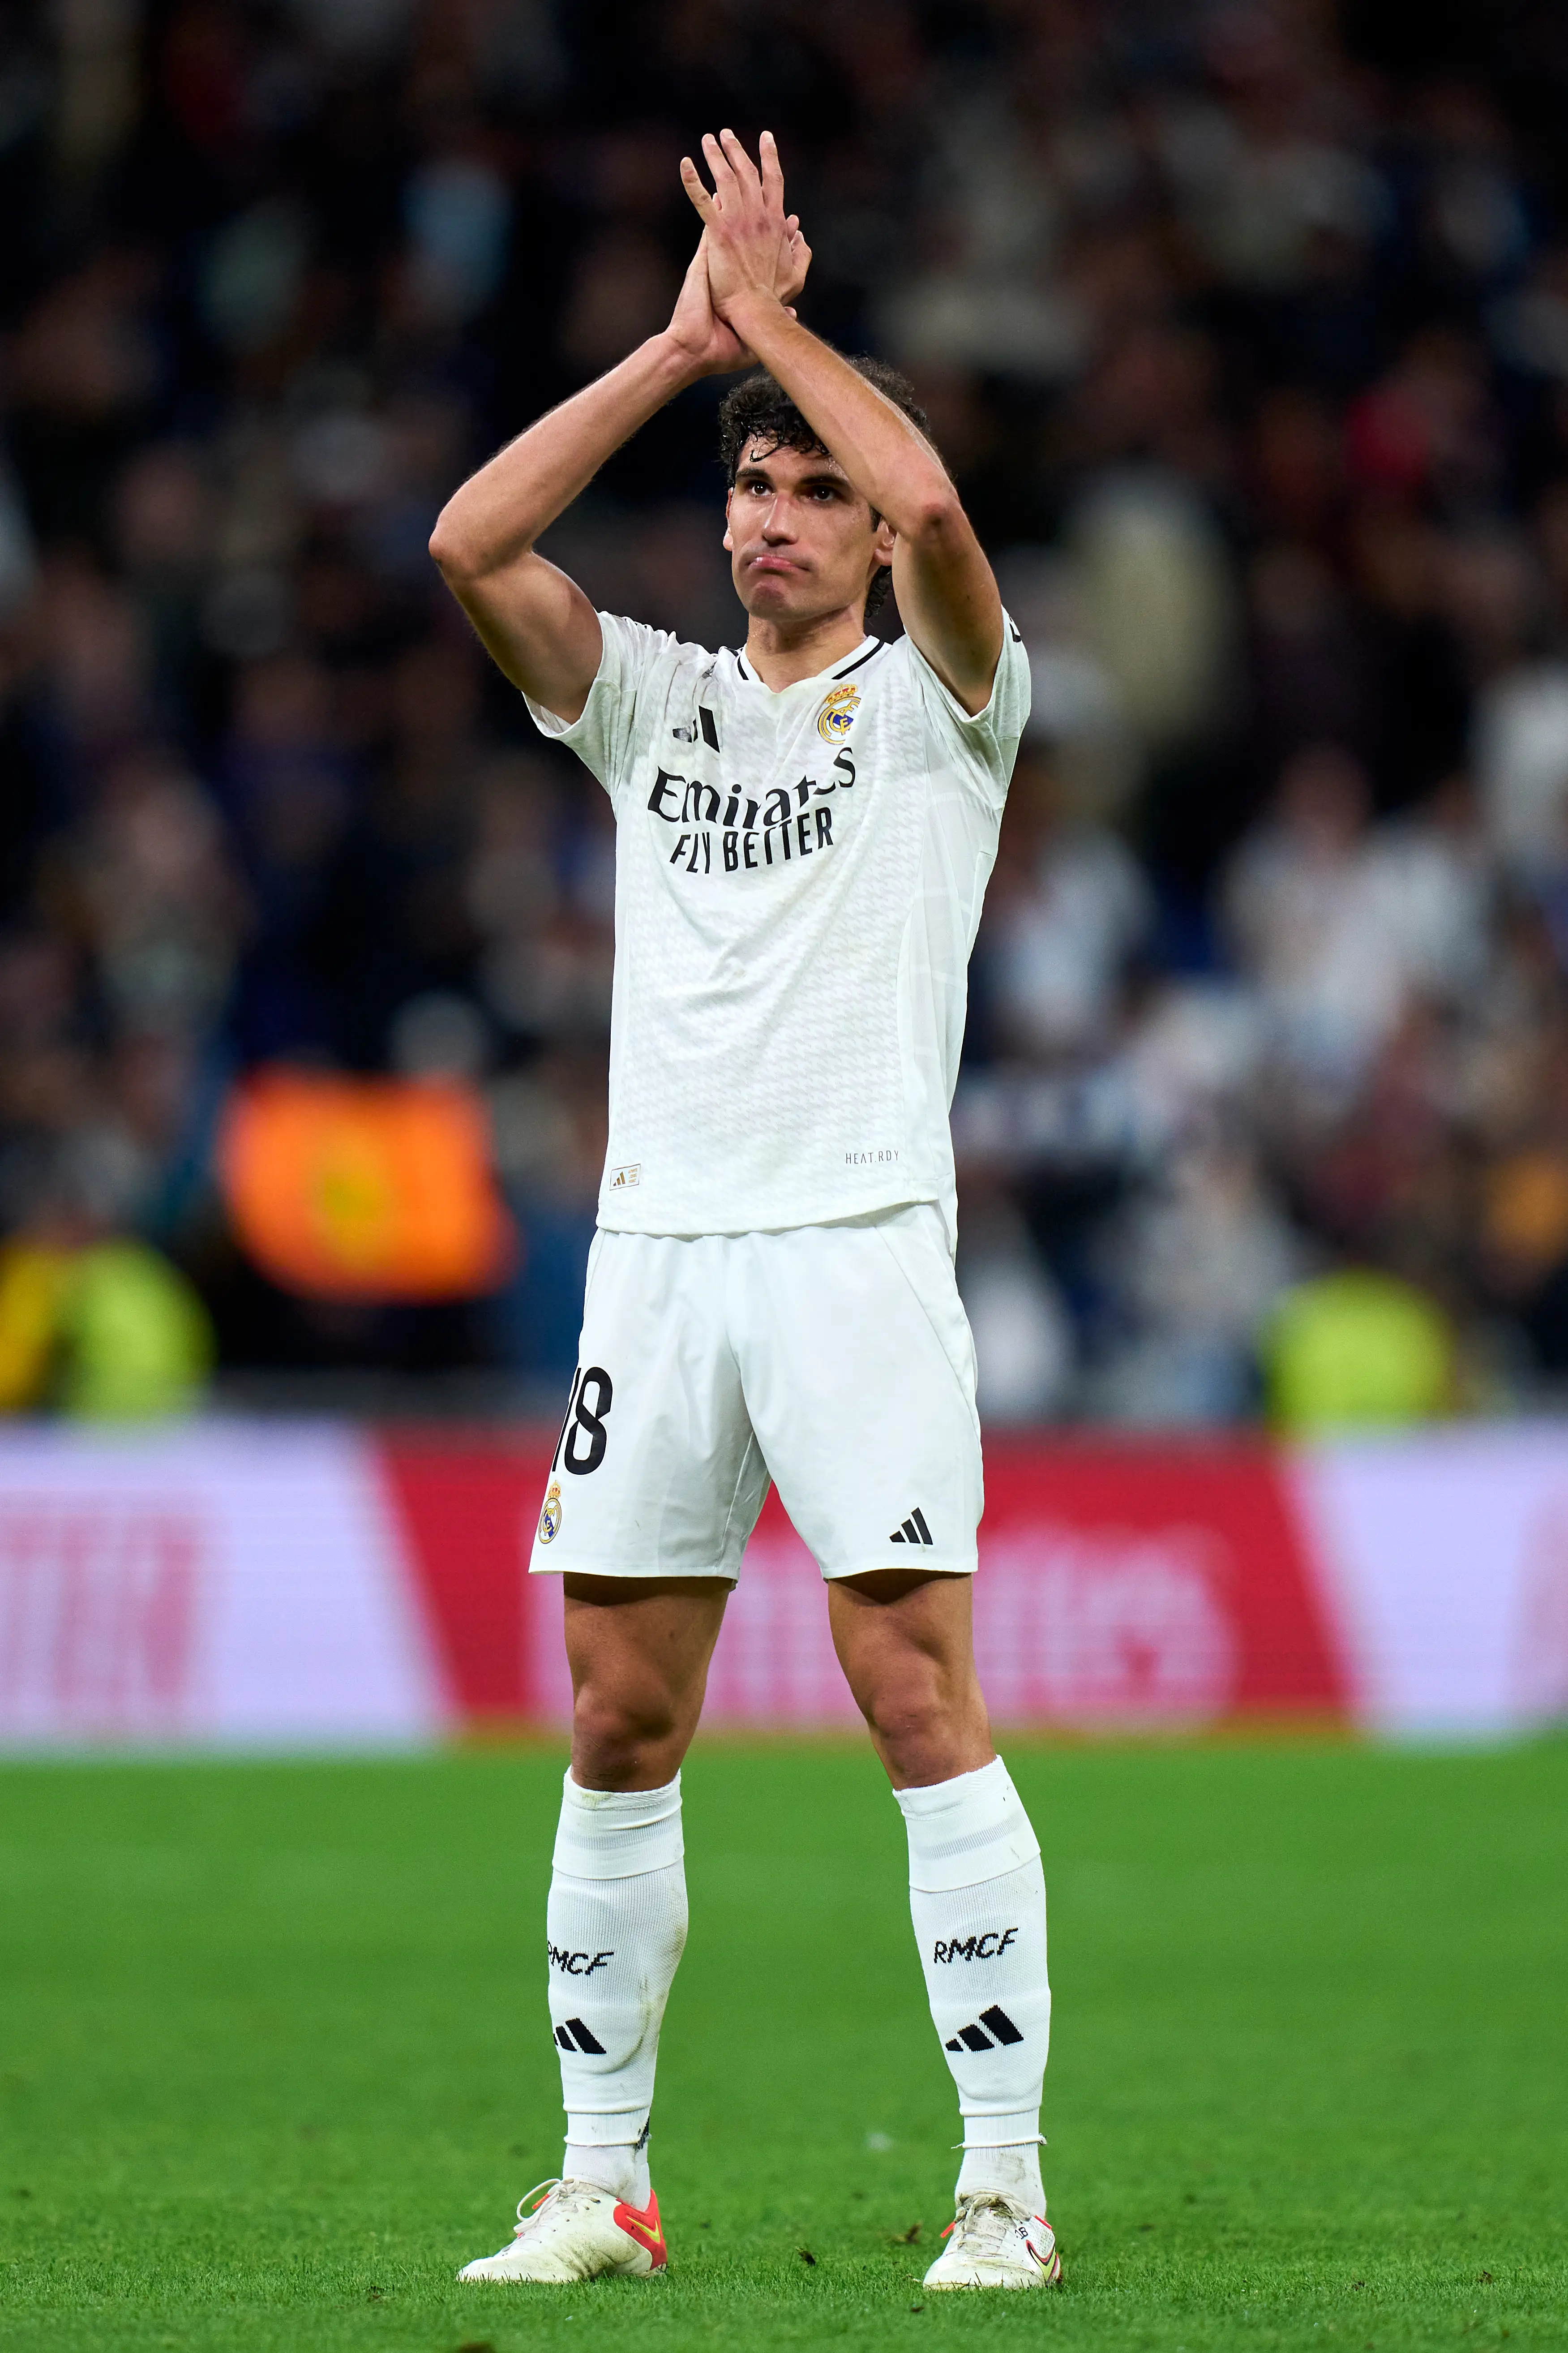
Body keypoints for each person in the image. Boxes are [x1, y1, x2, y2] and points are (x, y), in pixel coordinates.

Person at [430, 130, 1054, 2294]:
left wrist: (781, 320)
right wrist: (676, 343)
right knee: (616, 1710)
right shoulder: (651, 699)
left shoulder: (941, 708)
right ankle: (600, 2178)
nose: (770, 517)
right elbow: (465, 535)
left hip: (857, 1237)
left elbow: (958, 516)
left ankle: (998, 2183)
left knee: (907, 1690)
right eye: (750, 484)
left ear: (866, 534)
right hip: (657, 1253)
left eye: (809, 489)